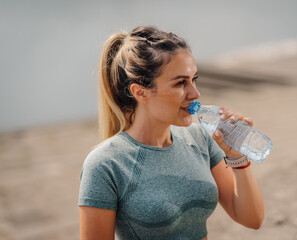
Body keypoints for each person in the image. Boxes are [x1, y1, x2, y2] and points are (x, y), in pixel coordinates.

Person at [78, 25, 264, 240]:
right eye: (180, 83)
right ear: (141, 92)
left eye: (193, 79)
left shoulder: (200, 139)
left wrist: (236, 156)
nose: (195, 93)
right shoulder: (106, 164)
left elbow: (252, 219)